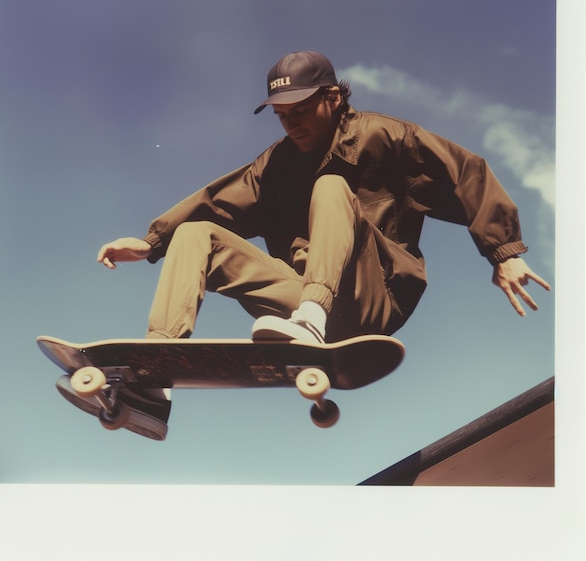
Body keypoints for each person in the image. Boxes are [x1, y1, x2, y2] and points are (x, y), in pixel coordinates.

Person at [84, 50, 550, 439]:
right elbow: (217, 201)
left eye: (301, 112)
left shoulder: (383, 136)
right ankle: (152, 373)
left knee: (330, 187)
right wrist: (151, 242)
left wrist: (502, 252)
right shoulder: (275, 165)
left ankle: (312, 316)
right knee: (195, 232)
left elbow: (464, 171)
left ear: (332, 97)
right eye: (283, 117)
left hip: (375, 295)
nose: (291, 126)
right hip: (301, 296)